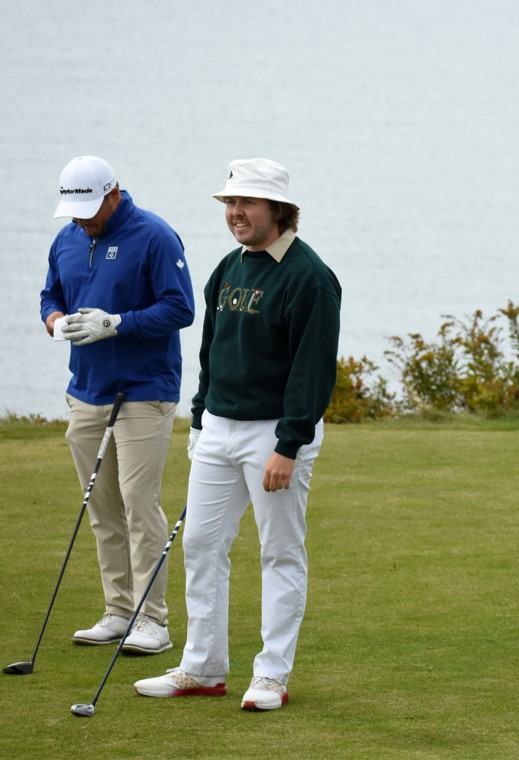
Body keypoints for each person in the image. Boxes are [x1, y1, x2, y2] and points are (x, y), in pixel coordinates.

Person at [135, 158, 341, 712]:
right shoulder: (228, 268)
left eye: (246, 203)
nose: (235, 213)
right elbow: (212, 353)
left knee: (280, 552)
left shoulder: (310, 277)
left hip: (274, 435)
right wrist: (201, 419)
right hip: (218, 430)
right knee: (202, 546)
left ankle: (271, 675)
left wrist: (289, 444)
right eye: (229, 203)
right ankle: (203, 668)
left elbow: (314, 369)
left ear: (278, 209)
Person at [40, 155, 194, 655]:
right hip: (86, 391)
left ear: (114, 194)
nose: (81, 219)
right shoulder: (67, 238)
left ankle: (153, 621)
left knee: (137, 502)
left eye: (89, 208)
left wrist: (118, 322)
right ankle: (118, 610)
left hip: (145, 390)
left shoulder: (155, 236)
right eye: (74, 210)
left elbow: (181, 308)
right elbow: (49, 296)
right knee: (102, 506)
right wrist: (55, 320)